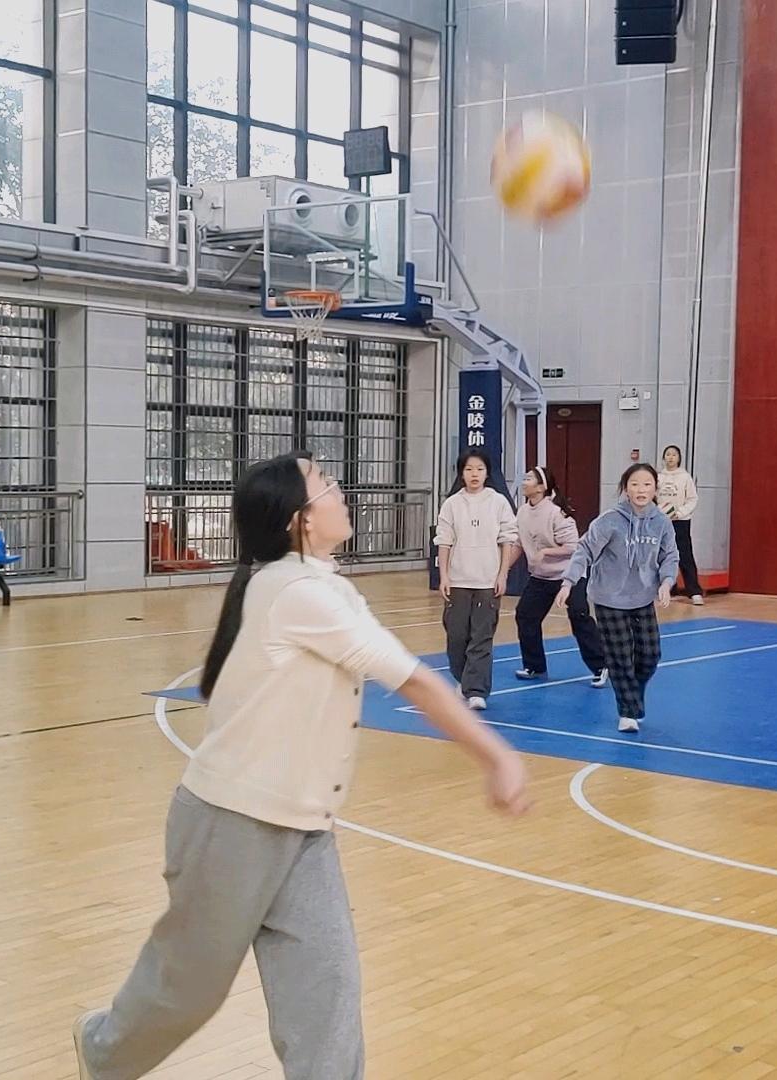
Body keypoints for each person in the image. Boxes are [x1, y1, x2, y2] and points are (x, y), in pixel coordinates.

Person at [73, 453, 529, 1080]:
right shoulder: (295, 593)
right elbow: (415, 681)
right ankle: (102, 1050)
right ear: (301, 519)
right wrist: (497, 755)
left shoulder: (326, 586)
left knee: (328, 996)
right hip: (230, 824)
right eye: (327, 485)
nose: (341, 491)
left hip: (306, 828)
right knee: (188, 992)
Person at [558, 463, 679, 733]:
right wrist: (569, 581)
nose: (641, 490)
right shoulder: (610, 520)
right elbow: (584, 550)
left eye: (647, 484)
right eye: (634, 484)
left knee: (650, 656)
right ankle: (628, 712)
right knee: (620, 657)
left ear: (655, 489)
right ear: (625, 488)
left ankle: (633, 695)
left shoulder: (661, 522)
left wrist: (666, 582)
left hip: (643, 597)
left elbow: (670, 555)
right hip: (608, 598)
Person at [433, 449, 519, 710]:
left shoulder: (498, 502)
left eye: (480, 469)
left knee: (482, 637)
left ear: (487, 473)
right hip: (458, 581)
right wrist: (444, 576)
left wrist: (502, 574)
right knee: (457, 636)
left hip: (487, 582)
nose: (474, 474)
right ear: (461, 473)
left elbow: (508, 539)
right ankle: (463, 679)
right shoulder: (452, 504)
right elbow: (444, 541)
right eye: (469, 469)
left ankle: (477, 691)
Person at [513, 465, 608, 686]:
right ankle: (535, 666)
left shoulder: (557, 513)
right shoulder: (523, 512)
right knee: (525, 615)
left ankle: (601, 665)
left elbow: (574, 547)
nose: (524, 482)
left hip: (570, 574)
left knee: (579, 615)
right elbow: (518, 542)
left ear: (541, 487)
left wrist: (545, 552)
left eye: (529, 479)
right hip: (541, 576)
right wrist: (503, 569)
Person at [657, 445, 705, 605]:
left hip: (681, 521)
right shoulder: (658, 477)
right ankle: (668, 588)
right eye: (668, 454)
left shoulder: (685, 477)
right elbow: (653, 498)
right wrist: (660, 513)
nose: (670, 457)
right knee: (661, 554)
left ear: (679, 458)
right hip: (662, 522)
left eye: (674, 455)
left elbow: (692, 499)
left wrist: (679, 513)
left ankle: (694, 591)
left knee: (684, 555)